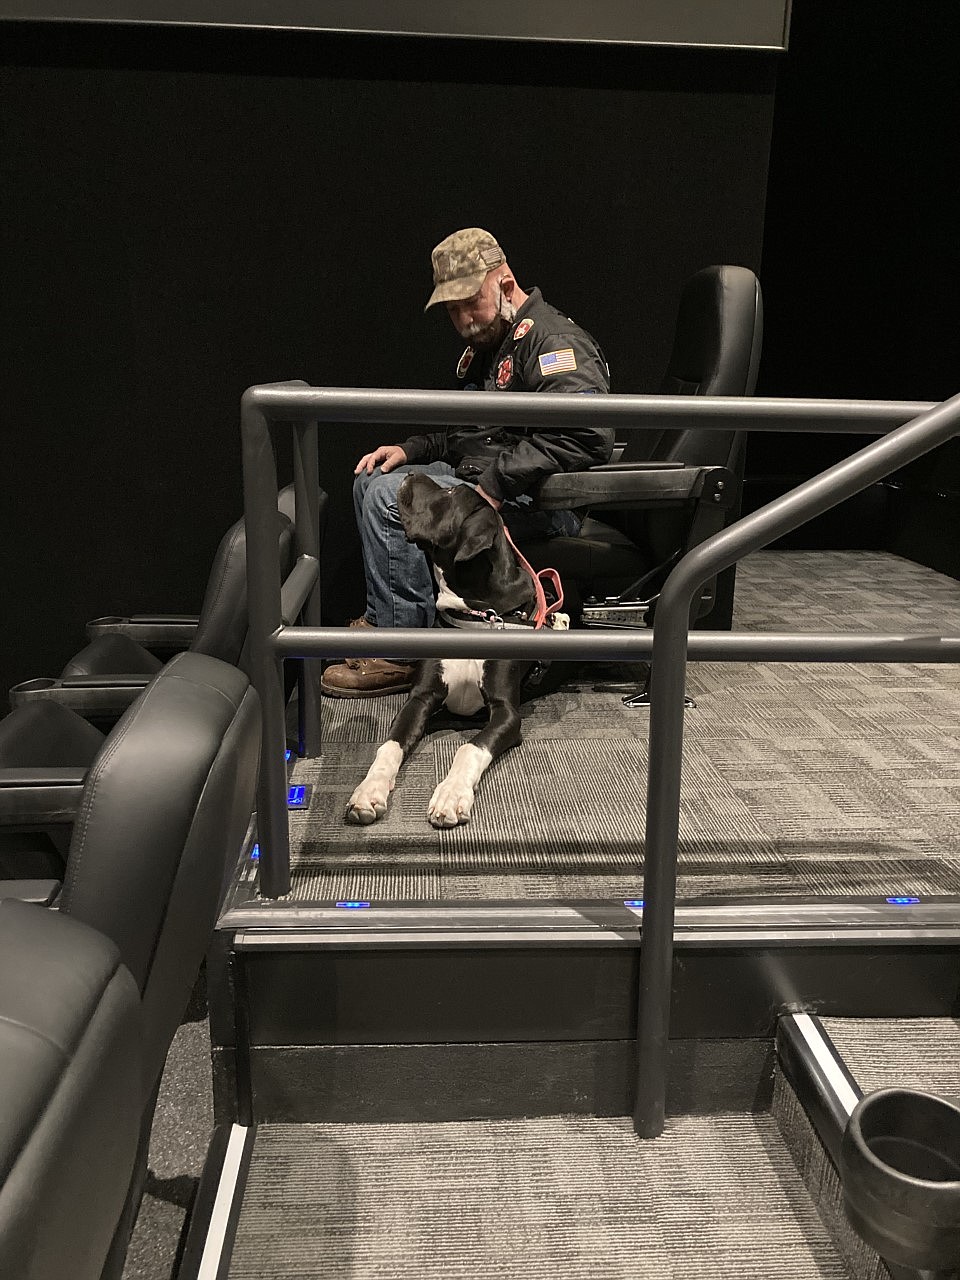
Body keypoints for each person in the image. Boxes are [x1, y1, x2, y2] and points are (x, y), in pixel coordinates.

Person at [321, 227, 613, 697]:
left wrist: (496, 483)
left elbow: (587, 435)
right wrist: (411, 450)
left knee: (387, 499)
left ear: (504, 281)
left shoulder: (552, 341)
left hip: (539, 502)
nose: (461, 318)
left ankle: (403, 650)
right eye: (451, 309)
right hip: (486, 485)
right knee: (377, 477)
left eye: (468, 302)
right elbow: (469, 434)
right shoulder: (494, 343)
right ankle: (387, 622)